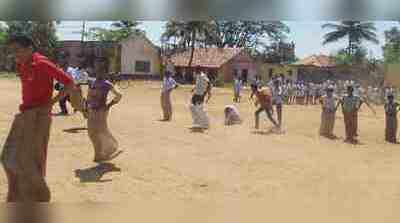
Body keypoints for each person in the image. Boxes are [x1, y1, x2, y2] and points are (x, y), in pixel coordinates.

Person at [0, 35, 85, 202]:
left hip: (39, 116)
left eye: (17, 50)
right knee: (10, 157)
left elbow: (70, 83)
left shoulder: (42, 63)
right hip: (25, 115)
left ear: (30, 48)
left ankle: (38, 197)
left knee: (33, 158)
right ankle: (23, 194)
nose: (15, 55)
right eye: (12, 52)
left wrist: (50, 104)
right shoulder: (22, 64)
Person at [86, 57, 123, 163]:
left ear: (104, 73)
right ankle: (103, 152)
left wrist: (109, 105)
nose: (98, 73)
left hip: (101, 111)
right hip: (92, 110)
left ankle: (99, 154)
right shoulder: (92, 83)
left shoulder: (106, 84)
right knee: (92, 132)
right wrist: (86, 108)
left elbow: (119, 95)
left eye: (100, 71)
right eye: (97, 71)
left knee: (98, 132)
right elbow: (89, 96)